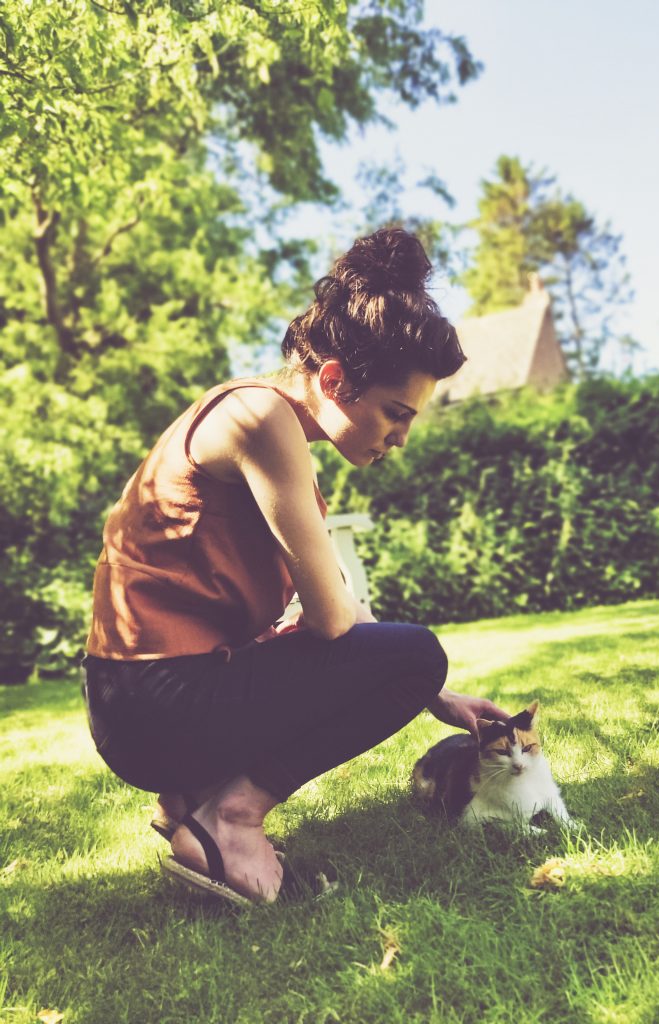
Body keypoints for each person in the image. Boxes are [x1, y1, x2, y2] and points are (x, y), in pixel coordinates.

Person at [82, 227, 509, 906]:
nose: (400, 438)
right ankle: (230, 818)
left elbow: (335, 608)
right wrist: (417, 671)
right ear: (335, 379)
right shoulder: (261, 420)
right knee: (420, 650)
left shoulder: (270, 432)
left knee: (412, 662)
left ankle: (192, 798)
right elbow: (337, 622)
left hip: (138, 703)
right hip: (153, 704)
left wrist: (437, 700)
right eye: (396, 415)